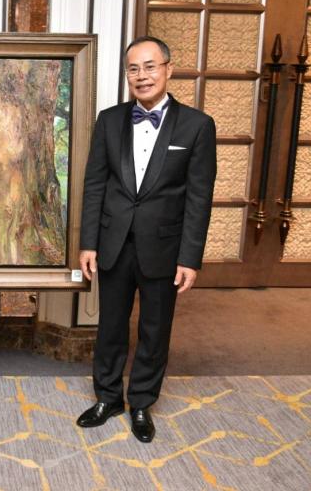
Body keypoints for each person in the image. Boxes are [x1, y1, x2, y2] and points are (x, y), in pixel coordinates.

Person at [76, 36, 216, 443]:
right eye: (133, 69)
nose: (142, 76)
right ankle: (107, 398)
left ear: (168, 69)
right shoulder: (109, 120)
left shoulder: (197, 126)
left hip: (165, 248)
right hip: (114, 242)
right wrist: (88, 242)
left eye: (150, 66)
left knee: (155, 330)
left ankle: (141, 402)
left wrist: (190, 258)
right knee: (110, 326)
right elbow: (94, 184)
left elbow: (199, 198)